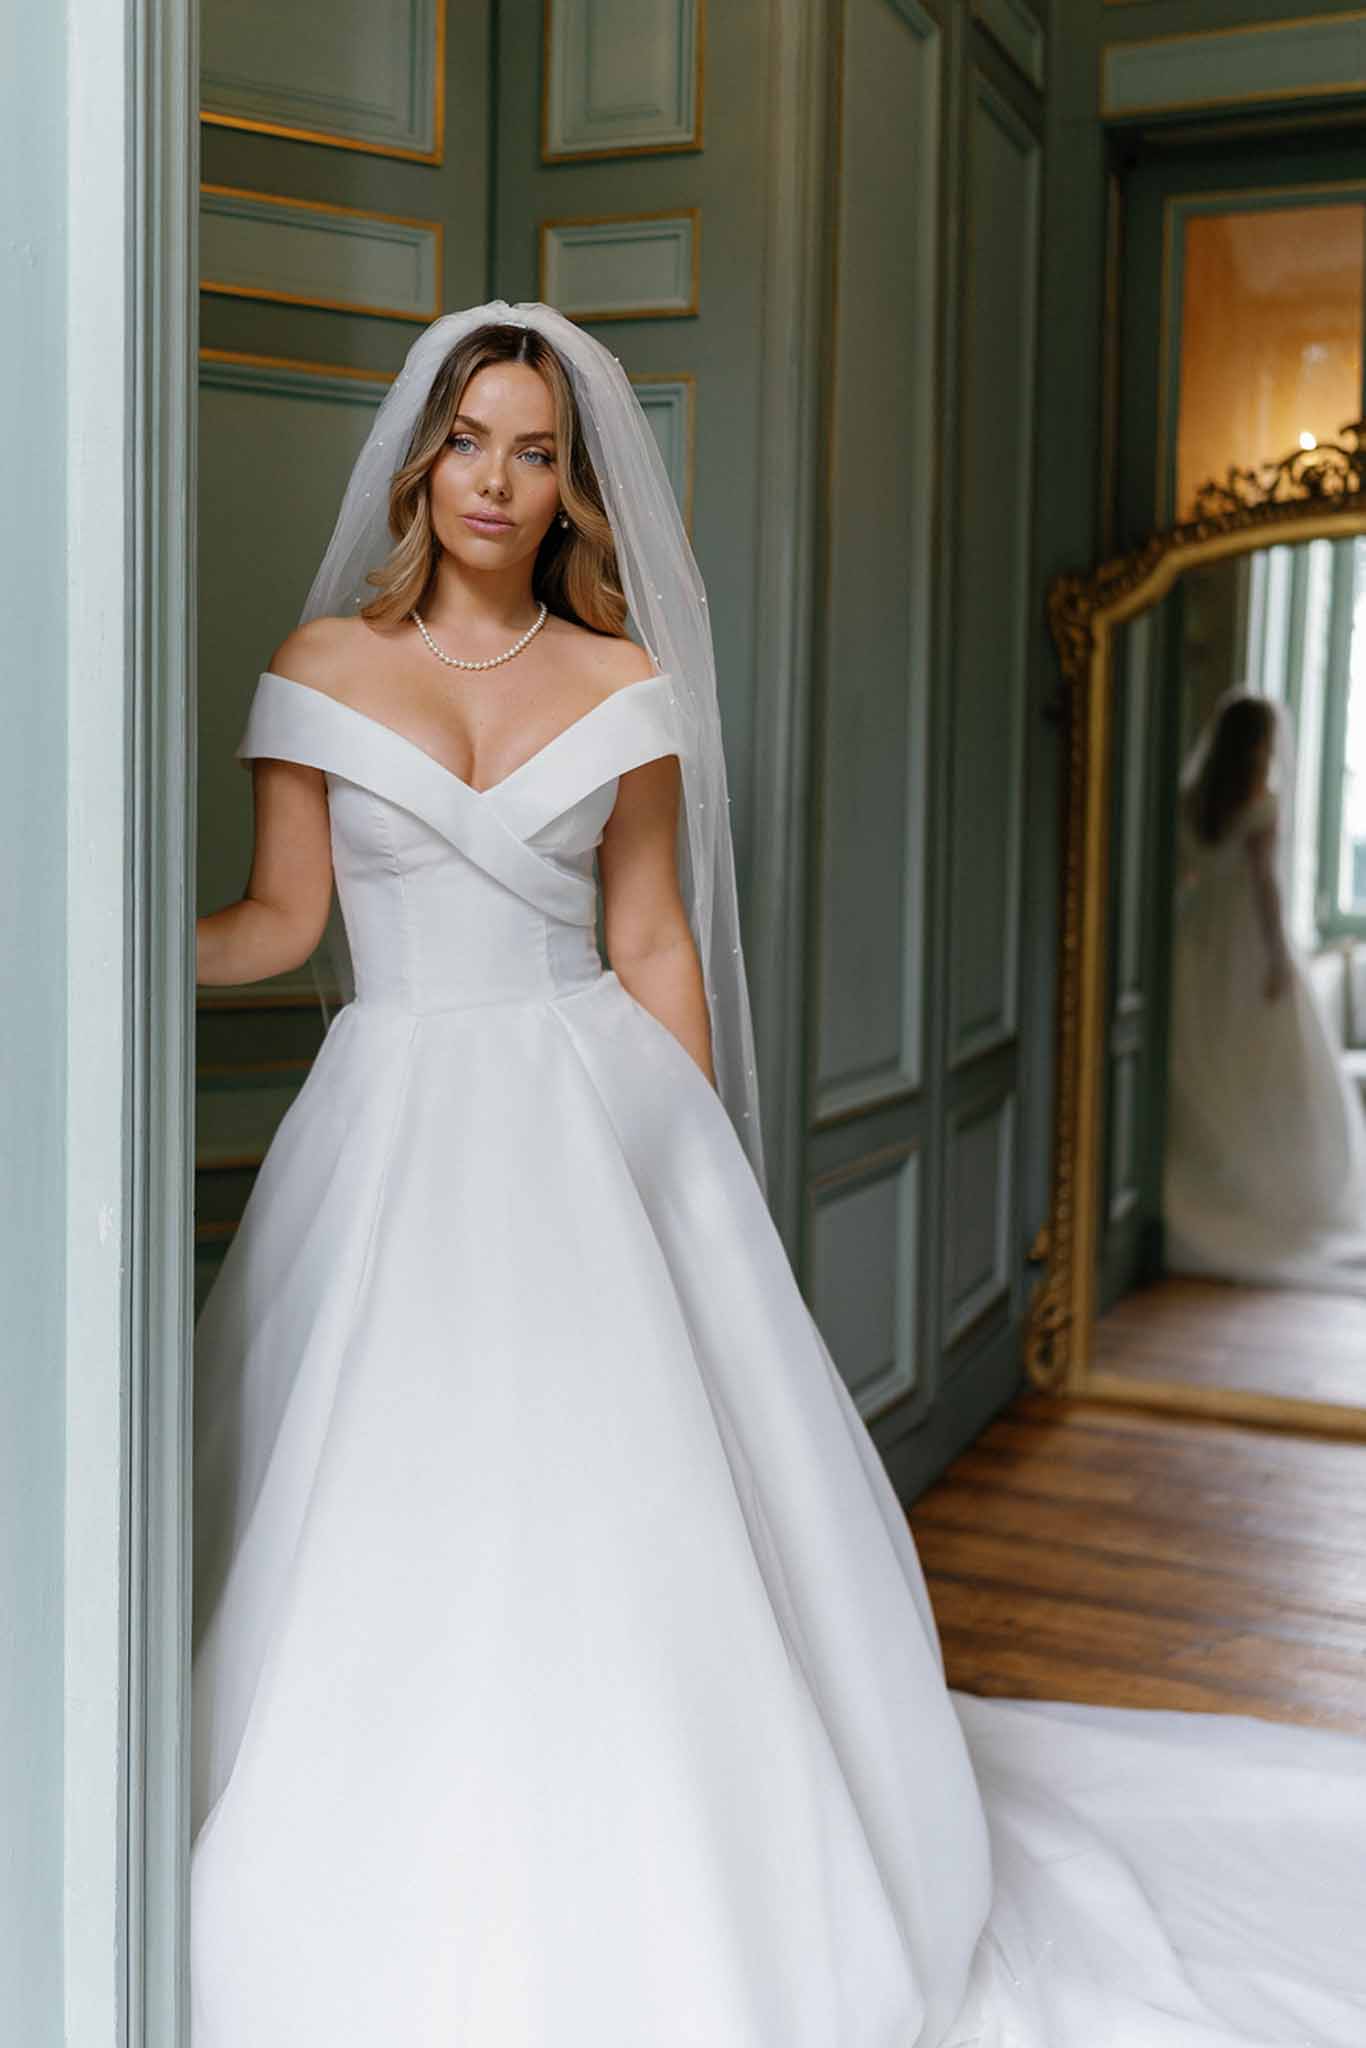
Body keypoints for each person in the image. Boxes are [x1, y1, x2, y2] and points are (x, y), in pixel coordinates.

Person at [190, 303, 1366, 2047]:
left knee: (617, 1520)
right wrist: (101, 950)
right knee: (377, 1494)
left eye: (534, 449)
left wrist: (693, 1182)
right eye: (470, 442)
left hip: (589, 1125)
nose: (497, 480)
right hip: (391, 1130)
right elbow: (283, 923)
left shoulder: (622, 685)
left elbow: (654, 939)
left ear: (574, 486)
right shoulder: (321, 666)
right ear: (419, 462)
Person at [1165, 687, 1366, 1289]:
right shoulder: (1261, 803)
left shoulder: (1195, 801)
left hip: (1198, 939)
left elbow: (1189, 871)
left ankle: (1221, 1180)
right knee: (1262, 1071)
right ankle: (1269, 1194)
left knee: (1211, 1059)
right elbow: (1267, 887)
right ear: (1257, 746)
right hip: (1246, 943)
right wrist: (1279, 957)